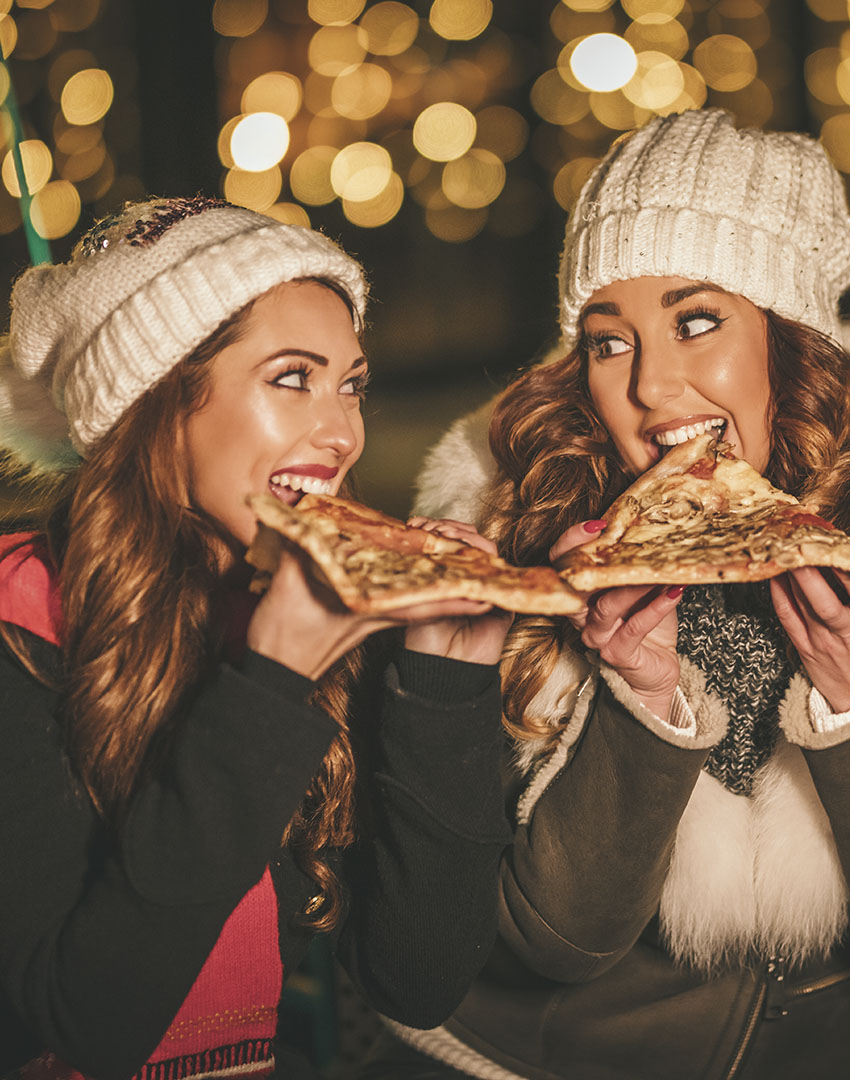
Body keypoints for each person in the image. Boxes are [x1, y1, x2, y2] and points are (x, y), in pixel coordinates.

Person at [361, 109, 850, 1079]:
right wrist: (638, 697)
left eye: (696, 321)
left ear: (791, 335)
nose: (649, 387)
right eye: (608, 342)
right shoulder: (525, 515)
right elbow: (560, 940)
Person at [0, 196, 512, 1079]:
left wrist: (446, 681)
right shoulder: (20, 637)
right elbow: (84, 1022)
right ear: (157, 400)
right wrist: (267, 685)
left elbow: (415, 981)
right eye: (291, 377)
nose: (343, 432)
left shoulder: (304, 612)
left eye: (351, 384)